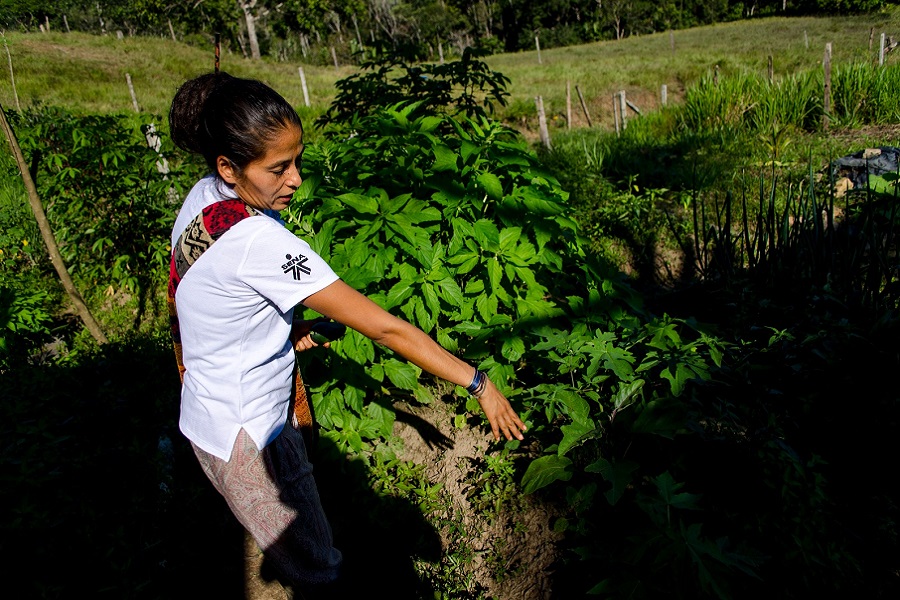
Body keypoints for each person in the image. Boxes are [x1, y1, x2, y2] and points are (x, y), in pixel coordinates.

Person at [166, 72, 526, 592]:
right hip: (248, 436)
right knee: (318, 570)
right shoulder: (260, 242)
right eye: (279, 168)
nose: (295, 179)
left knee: (300, 547)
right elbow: (385, 329)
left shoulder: (205, 199)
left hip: (215, 410)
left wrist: (280, 331)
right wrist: (479, 385)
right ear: (230, 165)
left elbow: (211, 299)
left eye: (298, 161)